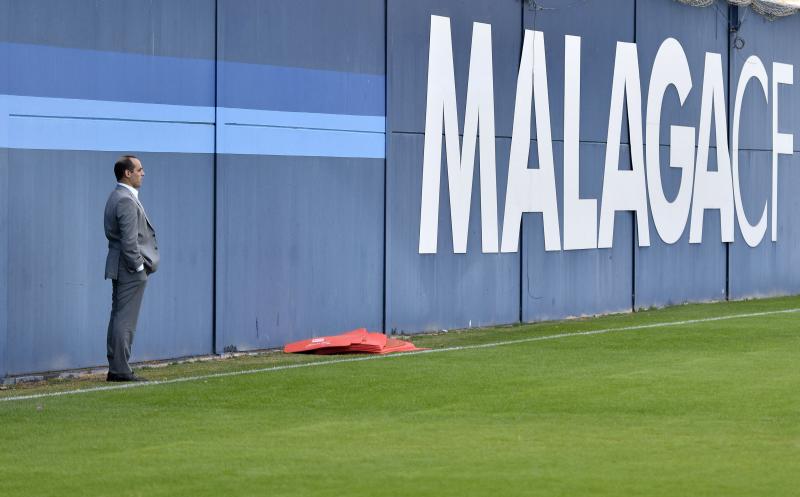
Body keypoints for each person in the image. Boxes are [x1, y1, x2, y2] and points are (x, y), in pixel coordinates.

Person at [103, 155, 160, 382]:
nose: (143, 173)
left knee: (120, 316)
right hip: (129, 268)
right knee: (124, 319)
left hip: (122, 266)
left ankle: (117, 367)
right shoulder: (125, 199)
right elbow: (129, 242)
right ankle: (120, 370)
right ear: (128, 173)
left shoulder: (118, 196)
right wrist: (139, 268)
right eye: (139, 169)